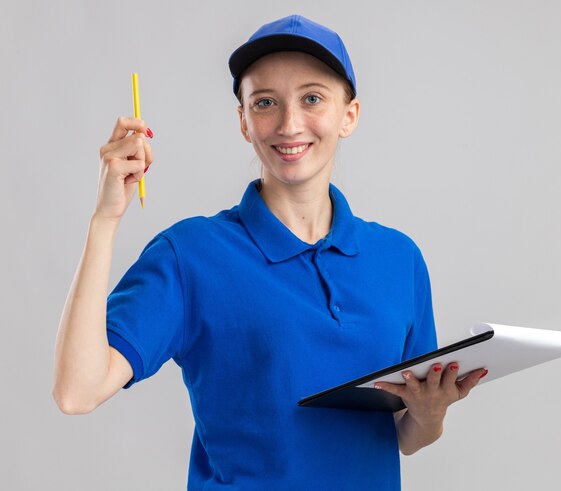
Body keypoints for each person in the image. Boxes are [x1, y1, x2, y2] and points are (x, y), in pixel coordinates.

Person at [53, 14, 486, 490]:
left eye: (312, 98)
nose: (289, 124)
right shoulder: (191, 255)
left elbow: (405, 434)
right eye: (265, 103)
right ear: (243, 121)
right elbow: (78, 391)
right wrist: (104, 220)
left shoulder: (399, 259)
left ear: (350, 115)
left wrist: (431, 414)